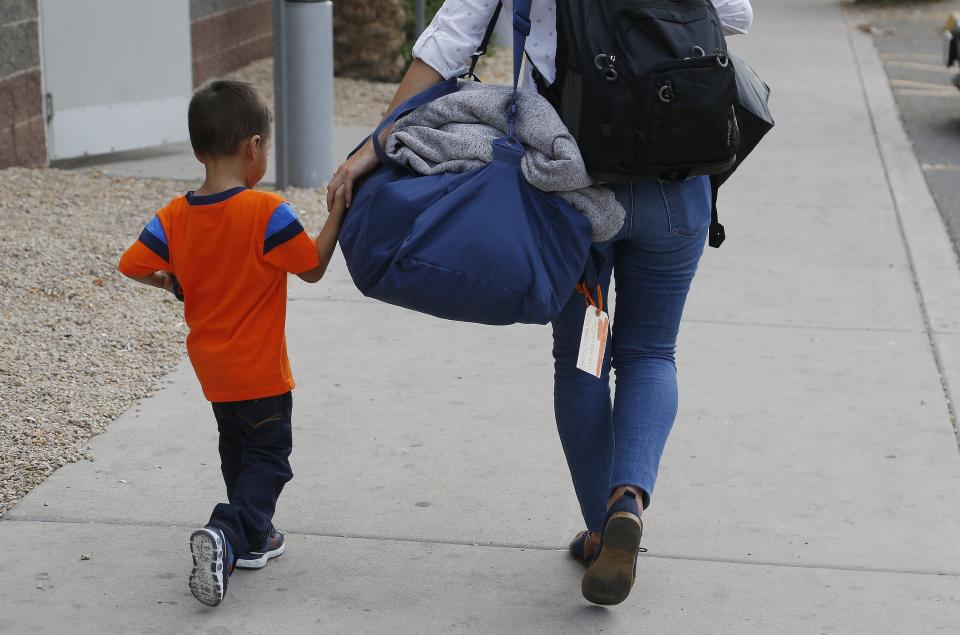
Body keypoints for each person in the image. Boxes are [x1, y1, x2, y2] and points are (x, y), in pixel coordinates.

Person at [327, 0, 752, 606]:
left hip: (581, 200)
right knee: (653, 353)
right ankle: (627, 497)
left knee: (585, 358)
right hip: (678, 192)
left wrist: (376, 143)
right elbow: (737, 17)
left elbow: (449, 44)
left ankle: (607, 534)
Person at [117, 80, 347, 608]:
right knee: (270, 457)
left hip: (213, 369)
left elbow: (131, 264)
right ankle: (226, 530)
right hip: (261, 370)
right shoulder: (266, 211)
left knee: (237, 450)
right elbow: (311, 267)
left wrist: (169, 281)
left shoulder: (175, 216)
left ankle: (255, 538)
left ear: (198, 150)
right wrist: (339, 212)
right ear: (254, 147)